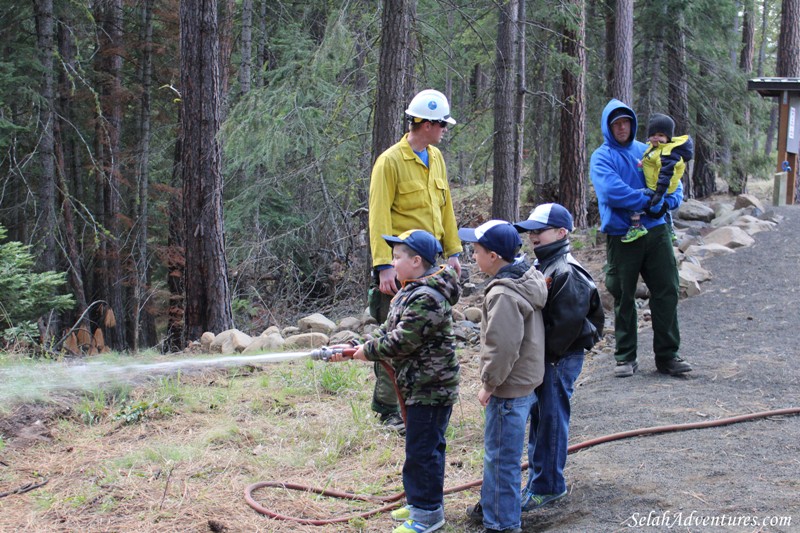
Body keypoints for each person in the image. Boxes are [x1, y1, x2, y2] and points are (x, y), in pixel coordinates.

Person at [332, 229, 461, 533]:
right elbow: (388, 329)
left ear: (416, 261)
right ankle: (421, 502)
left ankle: (428, 516)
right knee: (421, 449)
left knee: (423, 452)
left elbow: (403, 341)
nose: (392, 261)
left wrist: (368, 352)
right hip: (417, 386)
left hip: (431, 389)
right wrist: (357, 346)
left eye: (397, 256)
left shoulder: (427, 297)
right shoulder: (410, 289)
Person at [367, 89, 463, 431]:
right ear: (424, 124)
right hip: (400, 268)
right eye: (440, 125)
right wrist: (384, 266)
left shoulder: (435, 158)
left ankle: (417, 402)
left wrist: (452, 252)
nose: (444, 131)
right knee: (393, 334)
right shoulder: (390, 162)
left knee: (423, 336)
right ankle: (387, 408)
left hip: (431, 267)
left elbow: (446, 207)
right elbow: (378, 216)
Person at [589, 99, 692, 377]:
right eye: (616, 123)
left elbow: (673, 181)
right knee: (623, 295)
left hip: (656, 231)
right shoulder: (602, 156)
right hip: (623, 234)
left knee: (667, 290)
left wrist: (667, 202)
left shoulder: (648, 150)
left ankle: (668, 356)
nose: (622, 127)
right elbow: (611, 192)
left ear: (633, 124)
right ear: (608, 127)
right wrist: (646, 199)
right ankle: (625, 357)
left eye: (626, 122)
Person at [512, 203, 604, 511]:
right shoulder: (546, 264)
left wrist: (539, 356)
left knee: (550, 420)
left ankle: (549, 486)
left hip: (557, 358)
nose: (533, 237)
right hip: (546, 358)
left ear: (561, 232)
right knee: (540, 419)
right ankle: (539, 480)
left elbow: (562, 329)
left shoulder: (566, 270)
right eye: (531, 232)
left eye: (539, 231)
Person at [459, 220, 548, 533]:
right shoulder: (526, 276)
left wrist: (489, 385)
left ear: (494, 256)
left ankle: (502, 525)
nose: (473, 257)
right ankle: (492, 510)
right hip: (526, 381)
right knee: (501, 456)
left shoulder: (503, 293)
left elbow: (503, 347)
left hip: (508, 389)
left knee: (501, 459)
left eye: (476, 251)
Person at [623, 113, 695, 243]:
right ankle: (670, 229)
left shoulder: (667, 153)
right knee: (665, 209)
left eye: (661, 135)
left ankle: (636, 226)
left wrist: (658, 195)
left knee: (632, 197)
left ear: (668, 137)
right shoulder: (655, 149)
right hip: (662, 188)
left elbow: (665, 175)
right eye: (653, 135)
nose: (656, 138)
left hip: (658, 188)